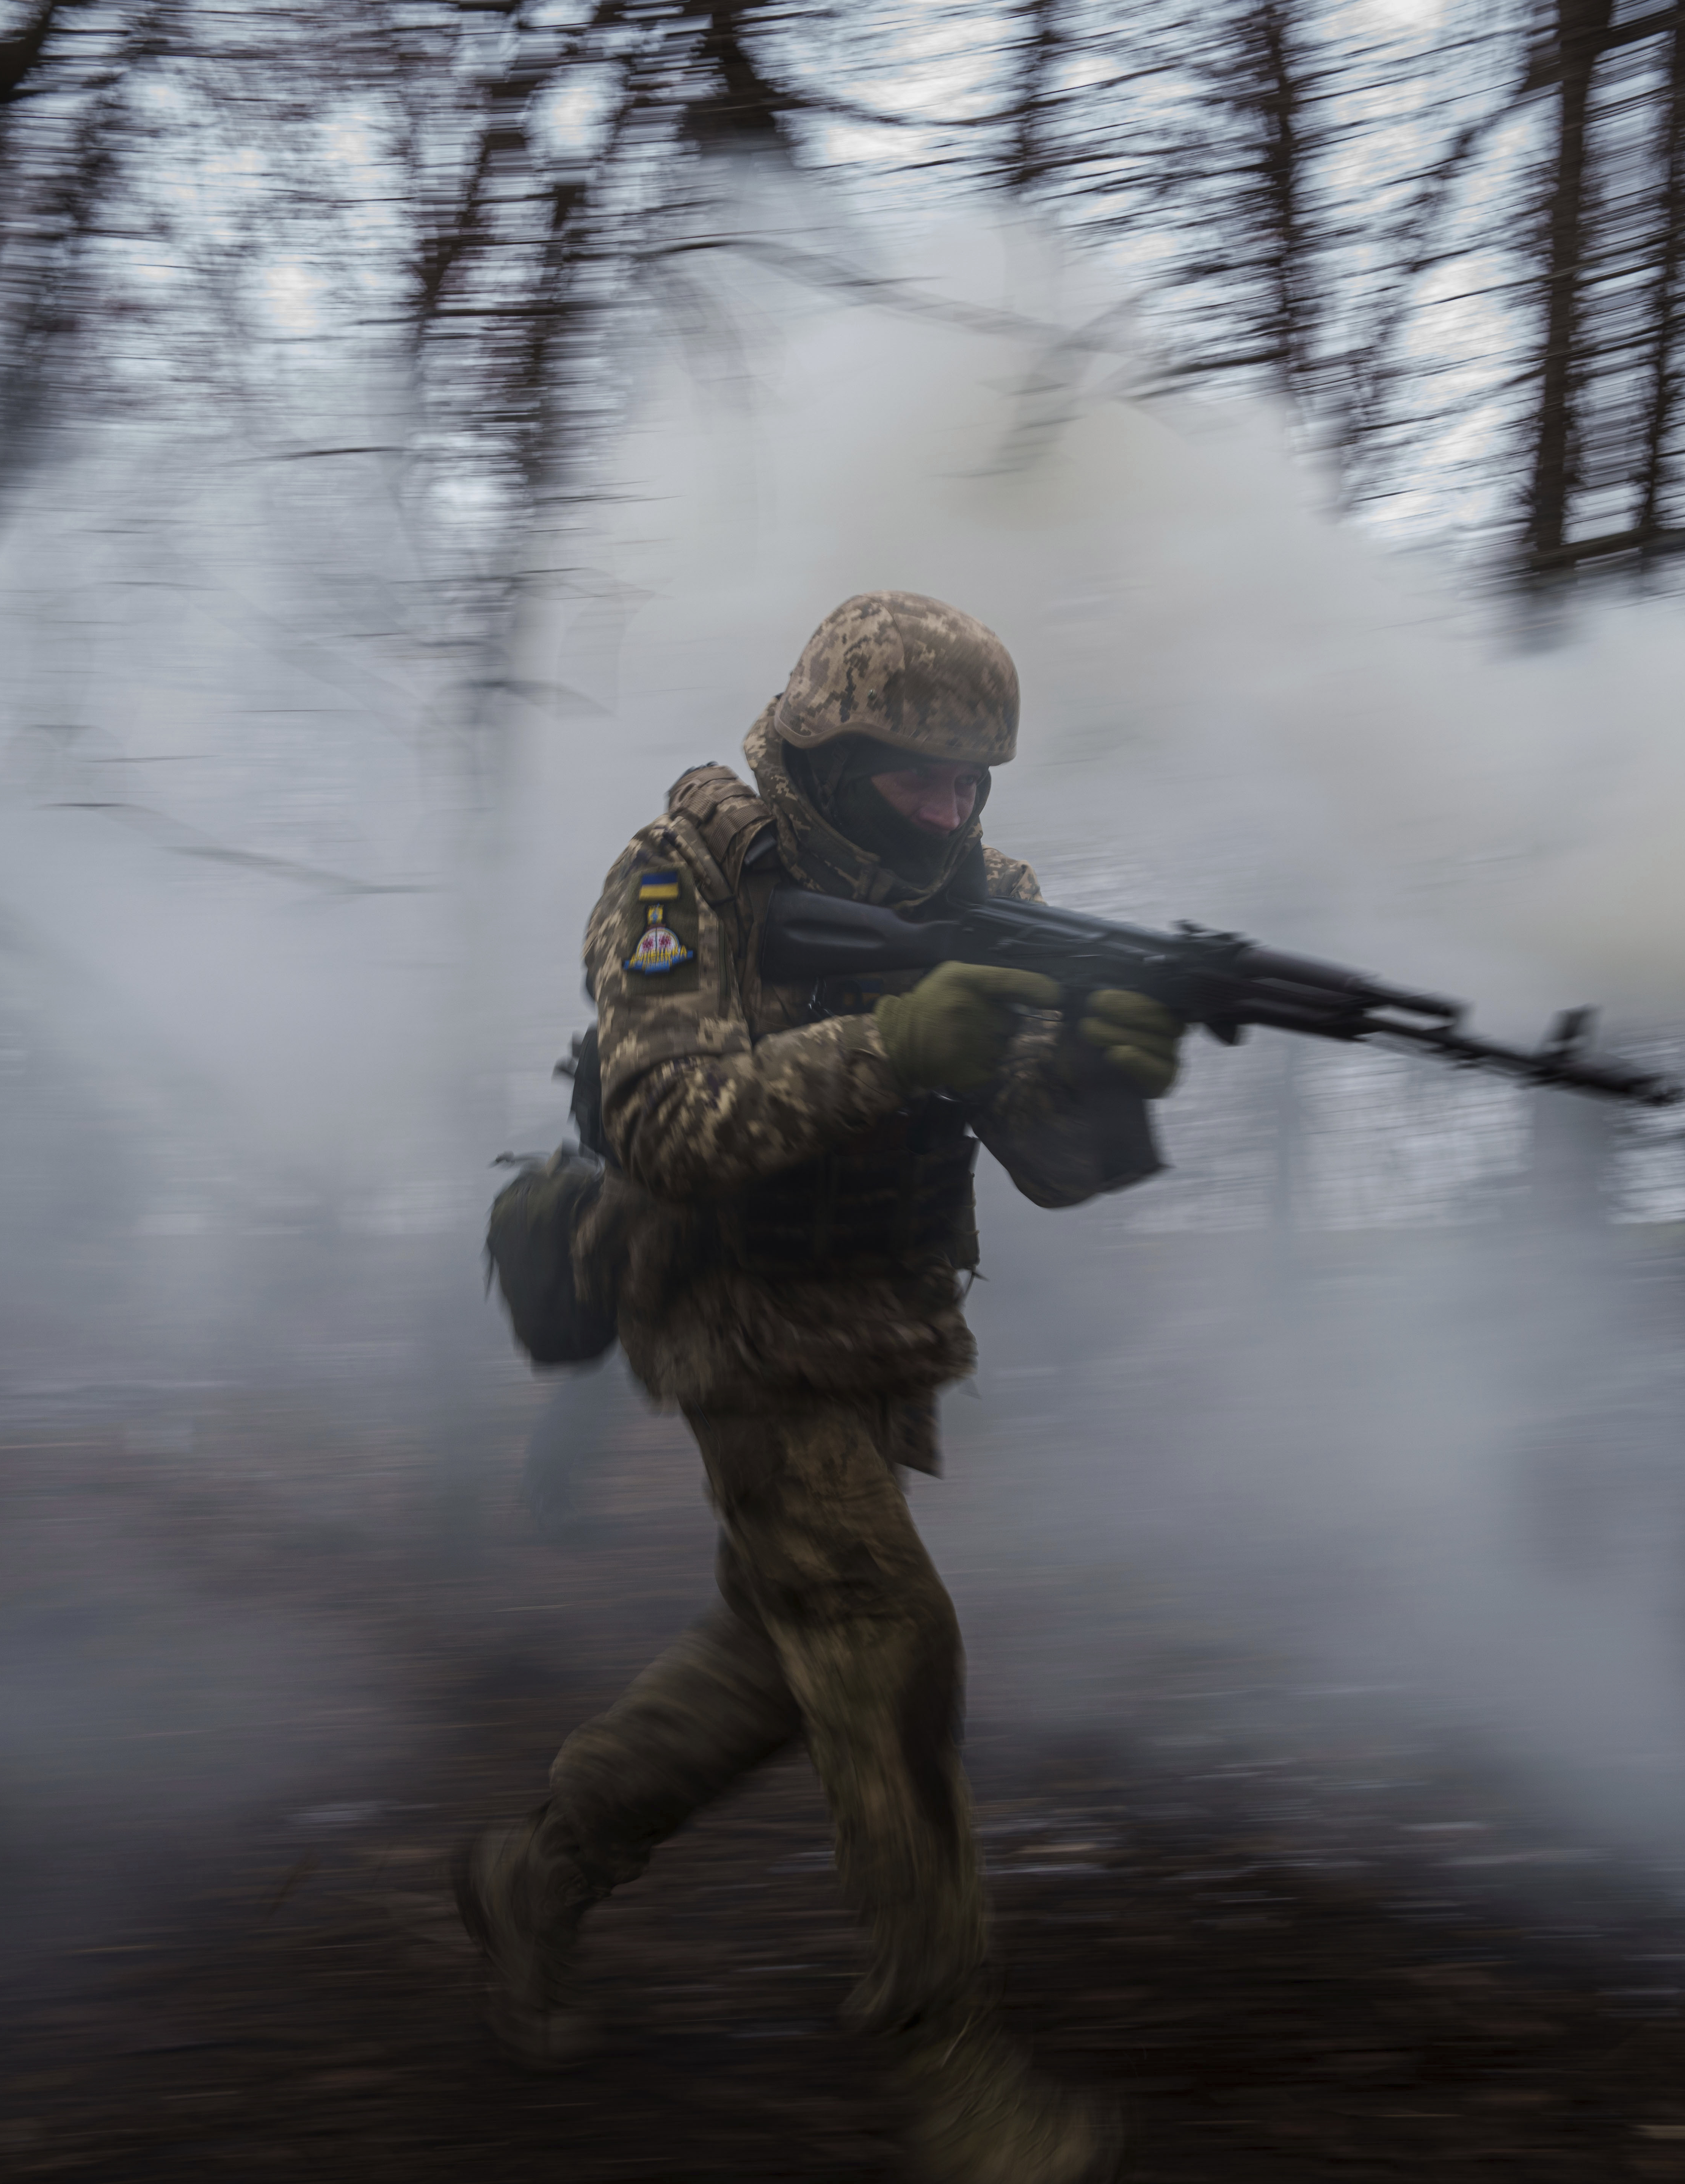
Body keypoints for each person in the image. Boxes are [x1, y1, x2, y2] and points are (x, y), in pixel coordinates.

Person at [457, 592, 1181, 2184]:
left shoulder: (990, 899)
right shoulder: (686, 877)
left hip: (879, 1322)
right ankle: (946, 2050)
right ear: (833, 758)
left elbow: (1053, 1166)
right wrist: (897, 1046)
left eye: (975, 781)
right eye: (922, 778)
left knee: (784, 1654)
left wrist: (1106, 1073)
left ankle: (541, 1872)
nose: (954, 810)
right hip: (725, 1304)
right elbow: (664, 1125)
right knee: (882, 1632)